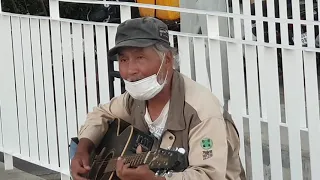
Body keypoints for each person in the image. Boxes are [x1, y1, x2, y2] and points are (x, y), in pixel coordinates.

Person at [70, 17, 246, 180]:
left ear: (167, 60)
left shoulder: (201, 111)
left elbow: (208, 175)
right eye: (123, 60)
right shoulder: (134, 100)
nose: (130, 70)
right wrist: (83, 149)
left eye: (140, 57)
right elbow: (101, 114)